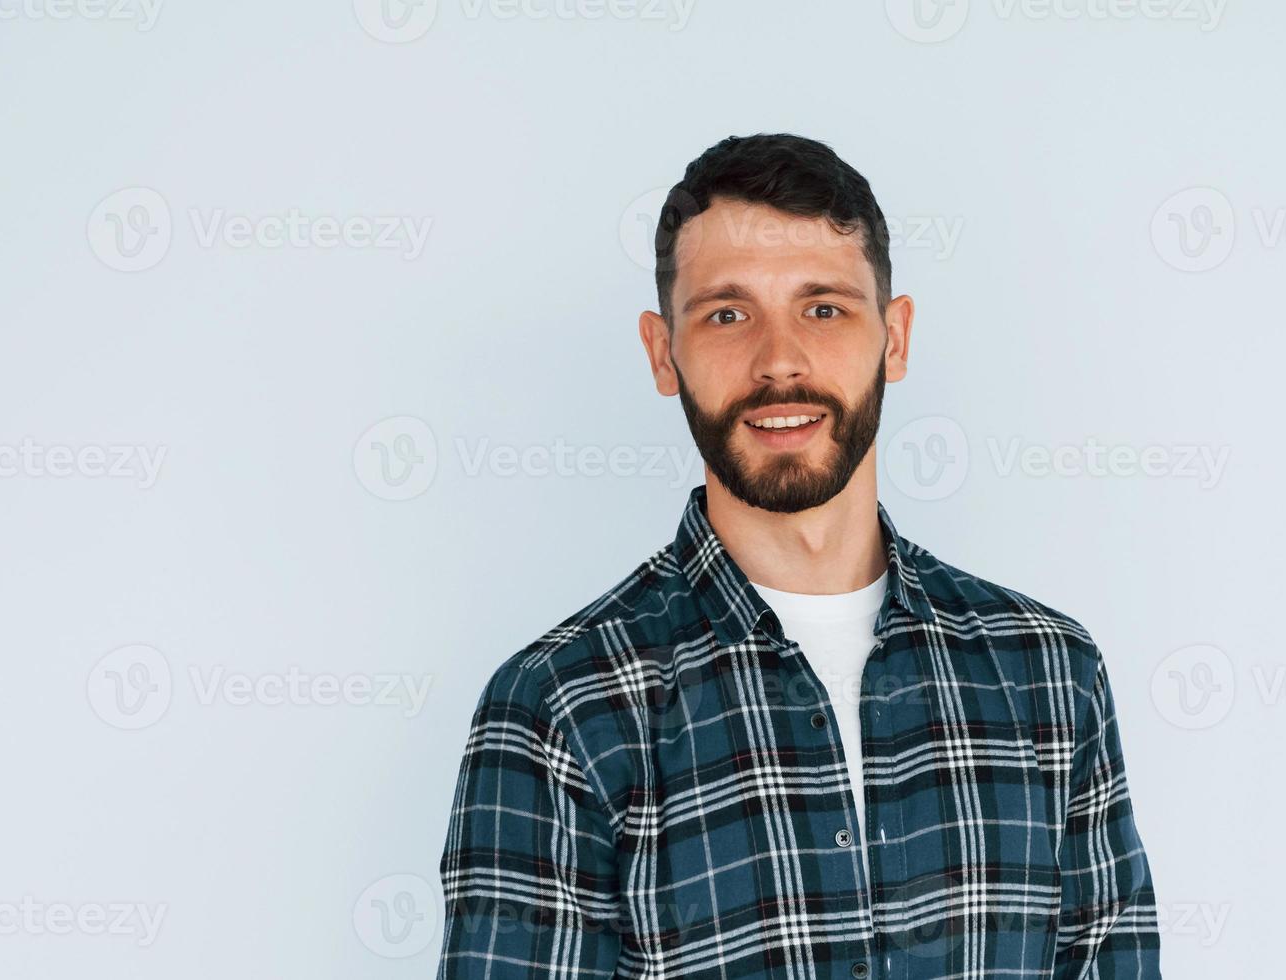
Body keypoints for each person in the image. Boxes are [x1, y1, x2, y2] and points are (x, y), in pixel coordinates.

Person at [436, 133, 1162, 979]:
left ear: (894, 338)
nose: (779, 362)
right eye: (728, 314)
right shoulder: (561, 710)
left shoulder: (1048, 674)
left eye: (823, 308)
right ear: (662, 351)